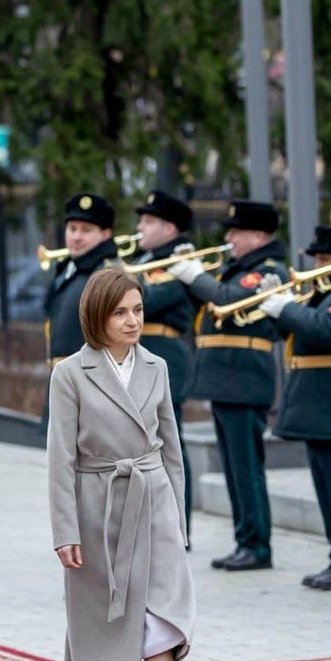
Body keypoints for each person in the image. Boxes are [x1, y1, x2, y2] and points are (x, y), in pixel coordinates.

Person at [47, 268, 194, 661]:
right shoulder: (69, 373)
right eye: (121, 312)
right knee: (103, 626)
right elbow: (60, 457)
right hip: (96, 507)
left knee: (160, 620)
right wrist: (65, 529)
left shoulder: (157, 366)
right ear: (97, 317)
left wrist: (179, 518)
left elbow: (172, 448)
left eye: (138, 310)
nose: (133, 322)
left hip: (151, 501)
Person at [168, 200, 289, 571]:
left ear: (258, 236)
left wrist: (195, 276)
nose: (229, 238)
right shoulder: (238, 268)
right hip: (227, 379)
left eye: (237, 232)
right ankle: (244, 539)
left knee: (246, 466)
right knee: (235, 469)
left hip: (244, 379)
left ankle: (257, 544)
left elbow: (230, 300)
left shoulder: (266, 271)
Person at [256, 226, 331, 591]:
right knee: (327, 486)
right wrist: (277, 311)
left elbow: (328, 330)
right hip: (319, 404)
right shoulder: (318, 295)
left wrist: (287, 308)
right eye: (317, 259)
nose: (318, 266)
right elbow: (294, 332)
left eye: (326, 260)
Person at [130, 190, 199, 531]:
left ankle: (178, 524)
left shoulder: (178, 263)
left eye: (148, 221)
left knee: (169, 442)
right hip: (139, 357)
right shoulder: (145, 261)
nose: (140, 227)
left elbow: (148, 300)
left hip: (166, 355)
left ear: (170, 229)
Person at [44, 193, 124, 370]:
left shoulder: (107, 271)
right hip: (62, 374)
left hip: (90, 376)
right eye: (72, 229)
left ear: (105, 234)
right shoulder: (67, 269)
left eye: (86, 230)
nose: (76, 237)